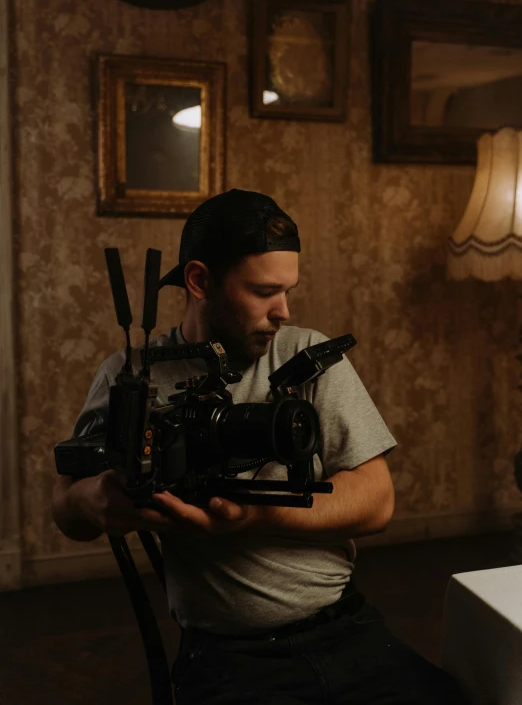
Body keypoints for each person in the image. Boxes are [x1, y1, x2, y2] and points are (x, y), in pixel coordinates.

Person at [52, 189, 466, 704]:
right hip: (230, 658)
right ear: (199, 280)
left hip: (346, 627)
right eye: (264, 291)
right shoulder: (132, 375)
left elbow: (376, 499)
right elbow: (67, 508)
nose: (284, 311)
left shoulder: (308, 356)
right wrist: (93, 499)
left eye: (288, 290)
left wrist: (251, 518)